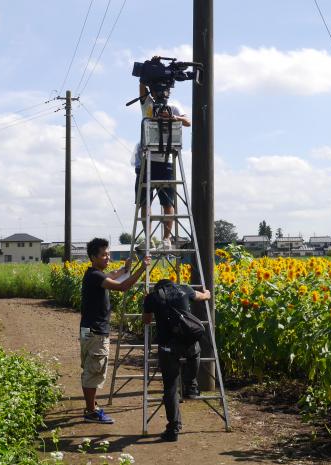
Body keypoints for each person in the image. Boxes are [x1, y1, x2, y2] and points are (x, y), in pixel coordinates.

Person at [80, 237, 151, 424]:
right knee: (94, 370)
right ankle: (91, 412)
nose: (107, 257)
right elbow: (122, 286)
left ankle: (91, 405)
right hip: (96, 331)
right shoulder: (96, 276)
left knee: (89, 366)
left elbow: (113, 275)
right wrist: (141, 269)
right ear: (93, 257)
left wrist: (126, 269)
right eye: (104, 255)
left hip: (87, 330)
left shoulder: (93, 274)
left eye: (108, 253)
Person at [142, 278, 211, 441]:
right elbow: (203, 297)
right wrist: (207, 292)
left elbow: (146, 321)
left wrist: (147, 303)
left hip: (167, 347)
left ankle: (173, 428)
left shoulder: (152, 297)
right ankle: (191, 385)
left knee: (171, 387)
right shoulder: (184, 289)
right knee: (195, 351)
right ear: (172, 284)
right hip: (188, 343)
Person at [135, 69, 191, 250]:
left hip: (166, 160)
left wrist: (173, 117)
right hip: (147, 159)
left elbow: (188, 122)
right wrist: (150, 67)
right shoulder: (148, 105)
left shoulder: (174, 107)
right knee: (144, 202)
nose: (161, 94)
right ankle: (148, 238)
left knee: (168, 202)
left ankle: (167, 239)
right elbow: (141, 87)